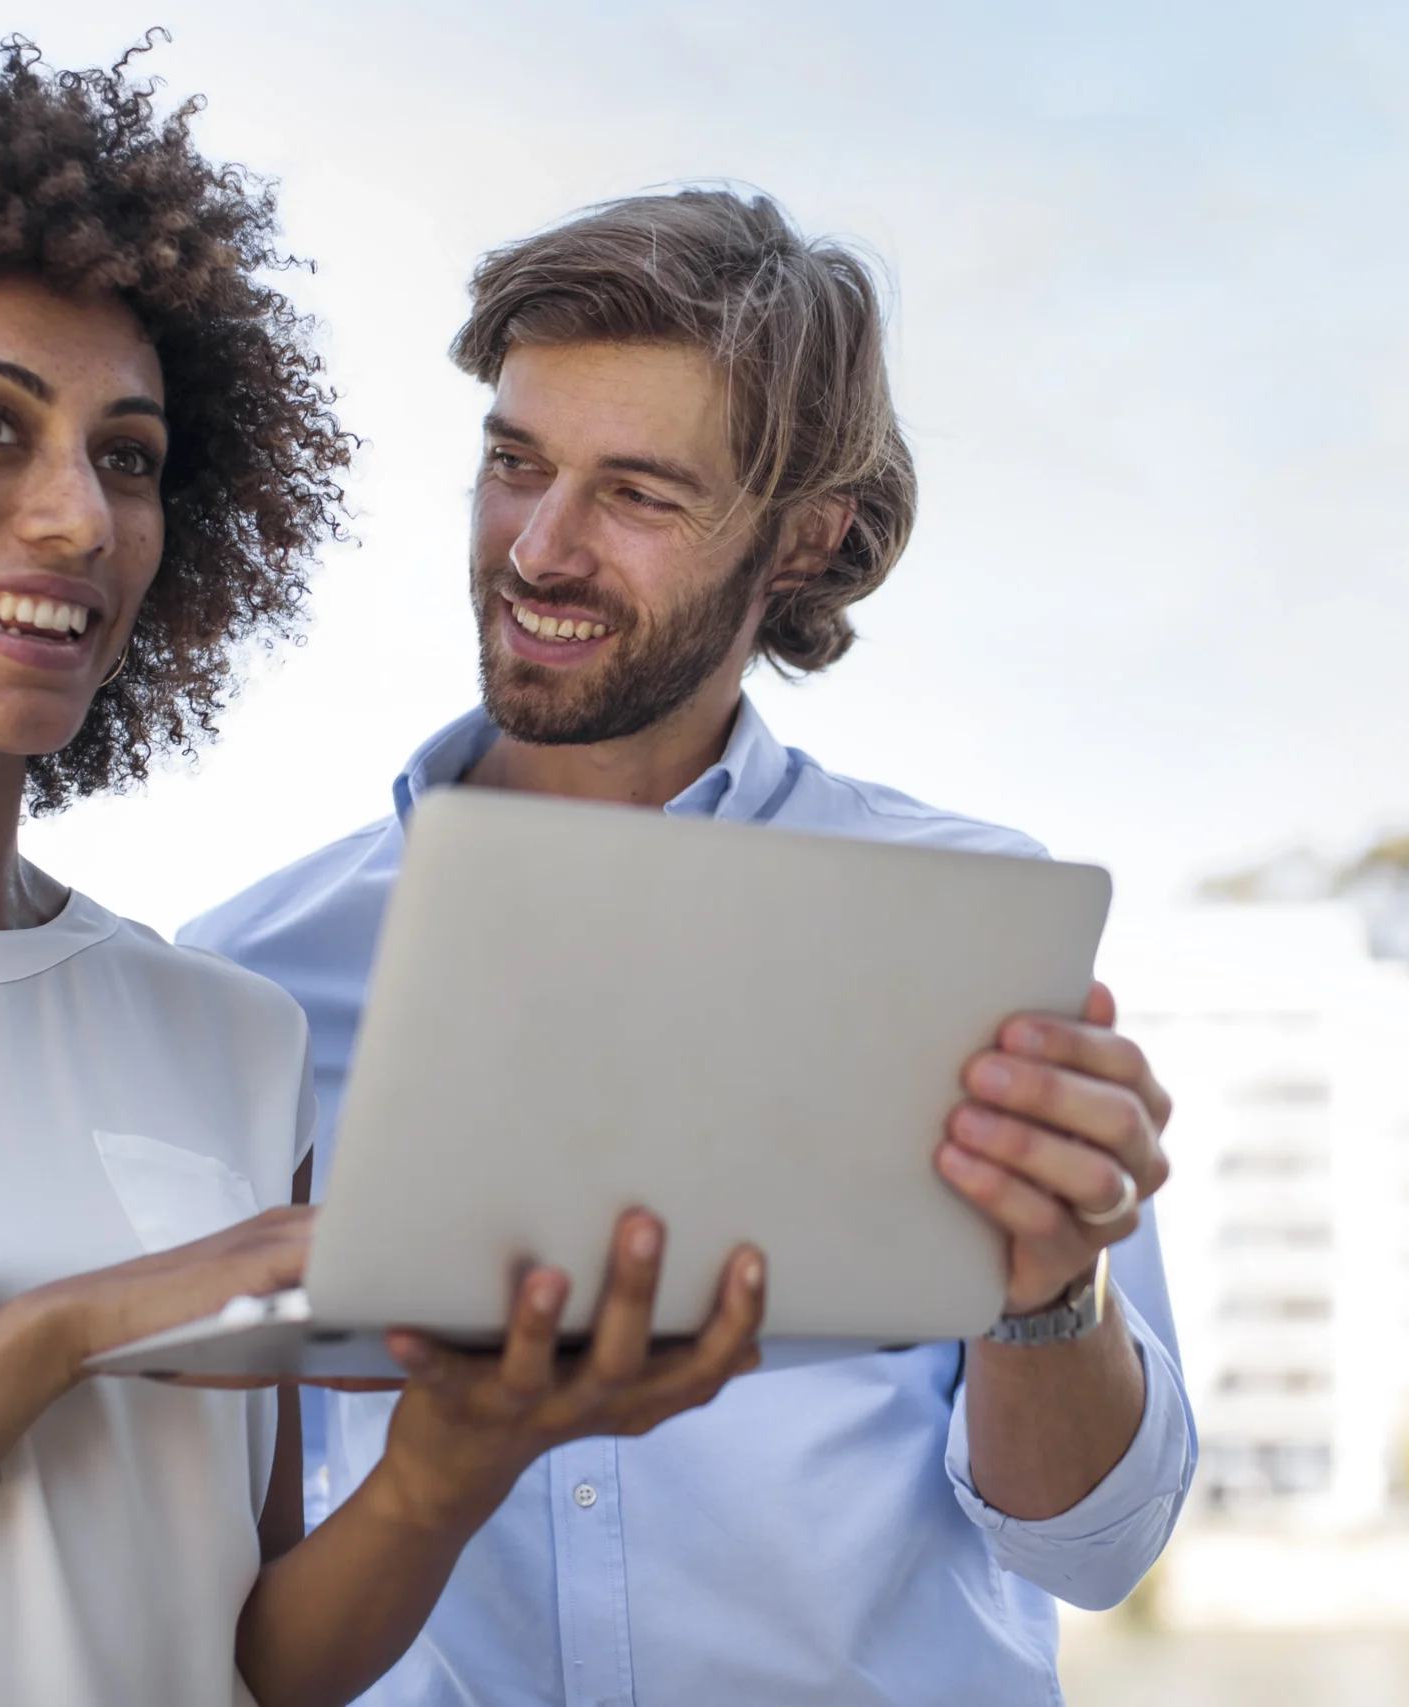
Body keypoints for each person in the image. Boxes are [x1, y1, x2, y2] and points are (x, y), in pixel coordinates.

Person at [0, 47, 761, 1707]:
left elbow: (248, 1661)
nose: (77, 517)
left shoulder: (228, 1035)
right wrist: (40, 1344)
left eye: (131, 455)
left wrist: (446, 1472)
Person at [184, 188, 1193, 1706]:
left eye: (640, 494)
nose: (540, 548)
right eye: (515, 464)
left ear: (805, 537)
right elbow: (205, 1575)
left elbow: (1095, 1551)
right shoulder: (246, 983)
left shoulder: (966, 930)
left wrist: (1052, 1293)